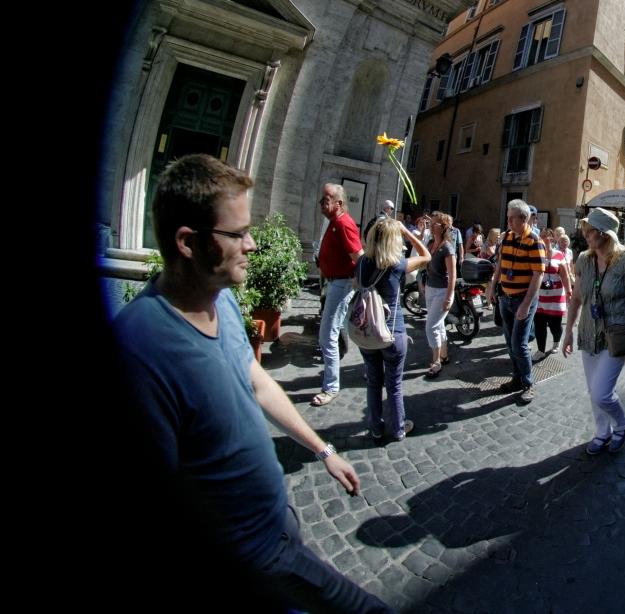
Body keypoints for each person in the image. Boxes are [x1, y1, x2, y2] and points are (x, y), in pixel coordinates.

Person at [112, 154, 394, 613]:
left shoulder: (219, 299)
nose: (252, 245)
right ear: (188, 242)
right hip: (254, 553)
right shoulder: (140, 350)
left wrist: (322, 450)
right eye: (238, 233)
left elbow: (258, 382)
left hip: (276, 519)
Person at [562, 207, 625, 456]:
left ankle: (621, 425)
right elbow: (577, 298)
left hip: (616, 337)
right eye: (586, 230)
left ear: (604, 233)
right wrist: (568, 331)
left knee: (601, 393)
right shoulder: (584, 261)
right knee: (593, 392)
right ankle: (602, 432)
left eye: (589, 230)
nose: (585, 234)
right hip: (589, 334)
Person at [356, 217, 429, 441]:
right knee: (394, 385)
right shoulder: (397, 264)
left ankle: (376, 428)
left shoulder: (361, 263)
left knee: (373, 383)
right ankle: (398, 428)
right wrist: (408, 233)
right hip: (392, 331)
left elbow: (355, 286)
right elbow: (427, 256)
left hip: (367, 331)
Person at [487, 199, 547, 403]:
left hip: (523, 299)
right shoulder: (506, 238)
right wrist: (492, 286)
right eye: (508, 218)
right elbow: (499, 266)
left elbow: (538, 275)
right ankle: (516, 379)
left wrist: (526, 304)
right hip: (505, 297)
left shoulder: (535, 241)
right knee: (509, 343)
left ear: (524, 219)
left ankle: (529, 384)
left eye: (511, 218)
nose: (508, 221)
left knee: (519, 344)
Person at [313, 183, 363, 406]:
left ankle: (331, 386)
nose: (322, 203)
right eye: (322, 199)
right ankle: (371, 367)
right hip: (334, 282)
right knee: (346, 329)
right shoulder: (334, 222)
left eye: (326, 199)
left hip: (341, 284)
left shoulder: (343, 223)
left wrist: (360, 284)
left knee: (327, 336)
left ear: (339, 203)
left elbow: (359, 257)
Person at [423, 211, 458, 378]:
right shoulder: (431, 243)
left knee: (431, 326)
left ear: (443, 227)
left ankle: (436, 361)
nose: (431, 224)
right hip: (430, 288)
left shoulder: (447, 248)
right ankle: (444, 355)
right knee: (438, 324)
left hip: (442, 292)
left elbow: (452, 276)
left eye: (435, 223)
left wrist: (449, 297)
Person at [532, 227, 572, 358]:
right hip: (539, 296)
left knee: (555, 325)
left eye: (546, 236)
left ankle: (556, 342)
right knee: (539, 324)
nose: (544, 239)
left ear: (552, 238)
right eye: (541, 236)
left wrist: (569, 291)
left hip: (556, 297)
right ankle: (541, 351)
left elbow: (565, 275)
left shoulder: (559, 254)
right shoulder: (535, 254)